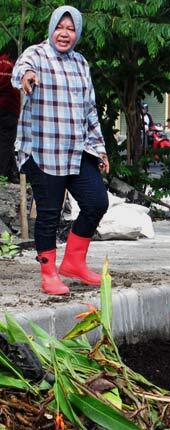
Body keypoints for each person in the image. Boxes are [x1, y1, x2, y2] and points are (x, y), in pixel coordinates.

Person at [12, 6, 109, 295]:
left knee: (96, 202)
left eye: (71, 29)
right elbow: (21, 69)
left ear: (77, 33)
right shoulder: (36, 54)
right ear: (52, 28)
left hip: (78, 150)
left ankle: (74, 263)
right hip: (44, 150)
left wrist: (100, 149)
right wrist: (27, 76)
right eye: (60, 27)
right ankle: (48, 273)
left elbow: (90, 110)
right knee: (49, 213)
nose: (64, 34)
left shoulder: (81, 63)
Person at [0, 51, 20, 183]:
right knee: (7, 143)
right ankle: (5, 173)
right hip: (11, 108)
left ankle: (8, 173)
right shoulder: (16, 65)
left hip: (5, 106)